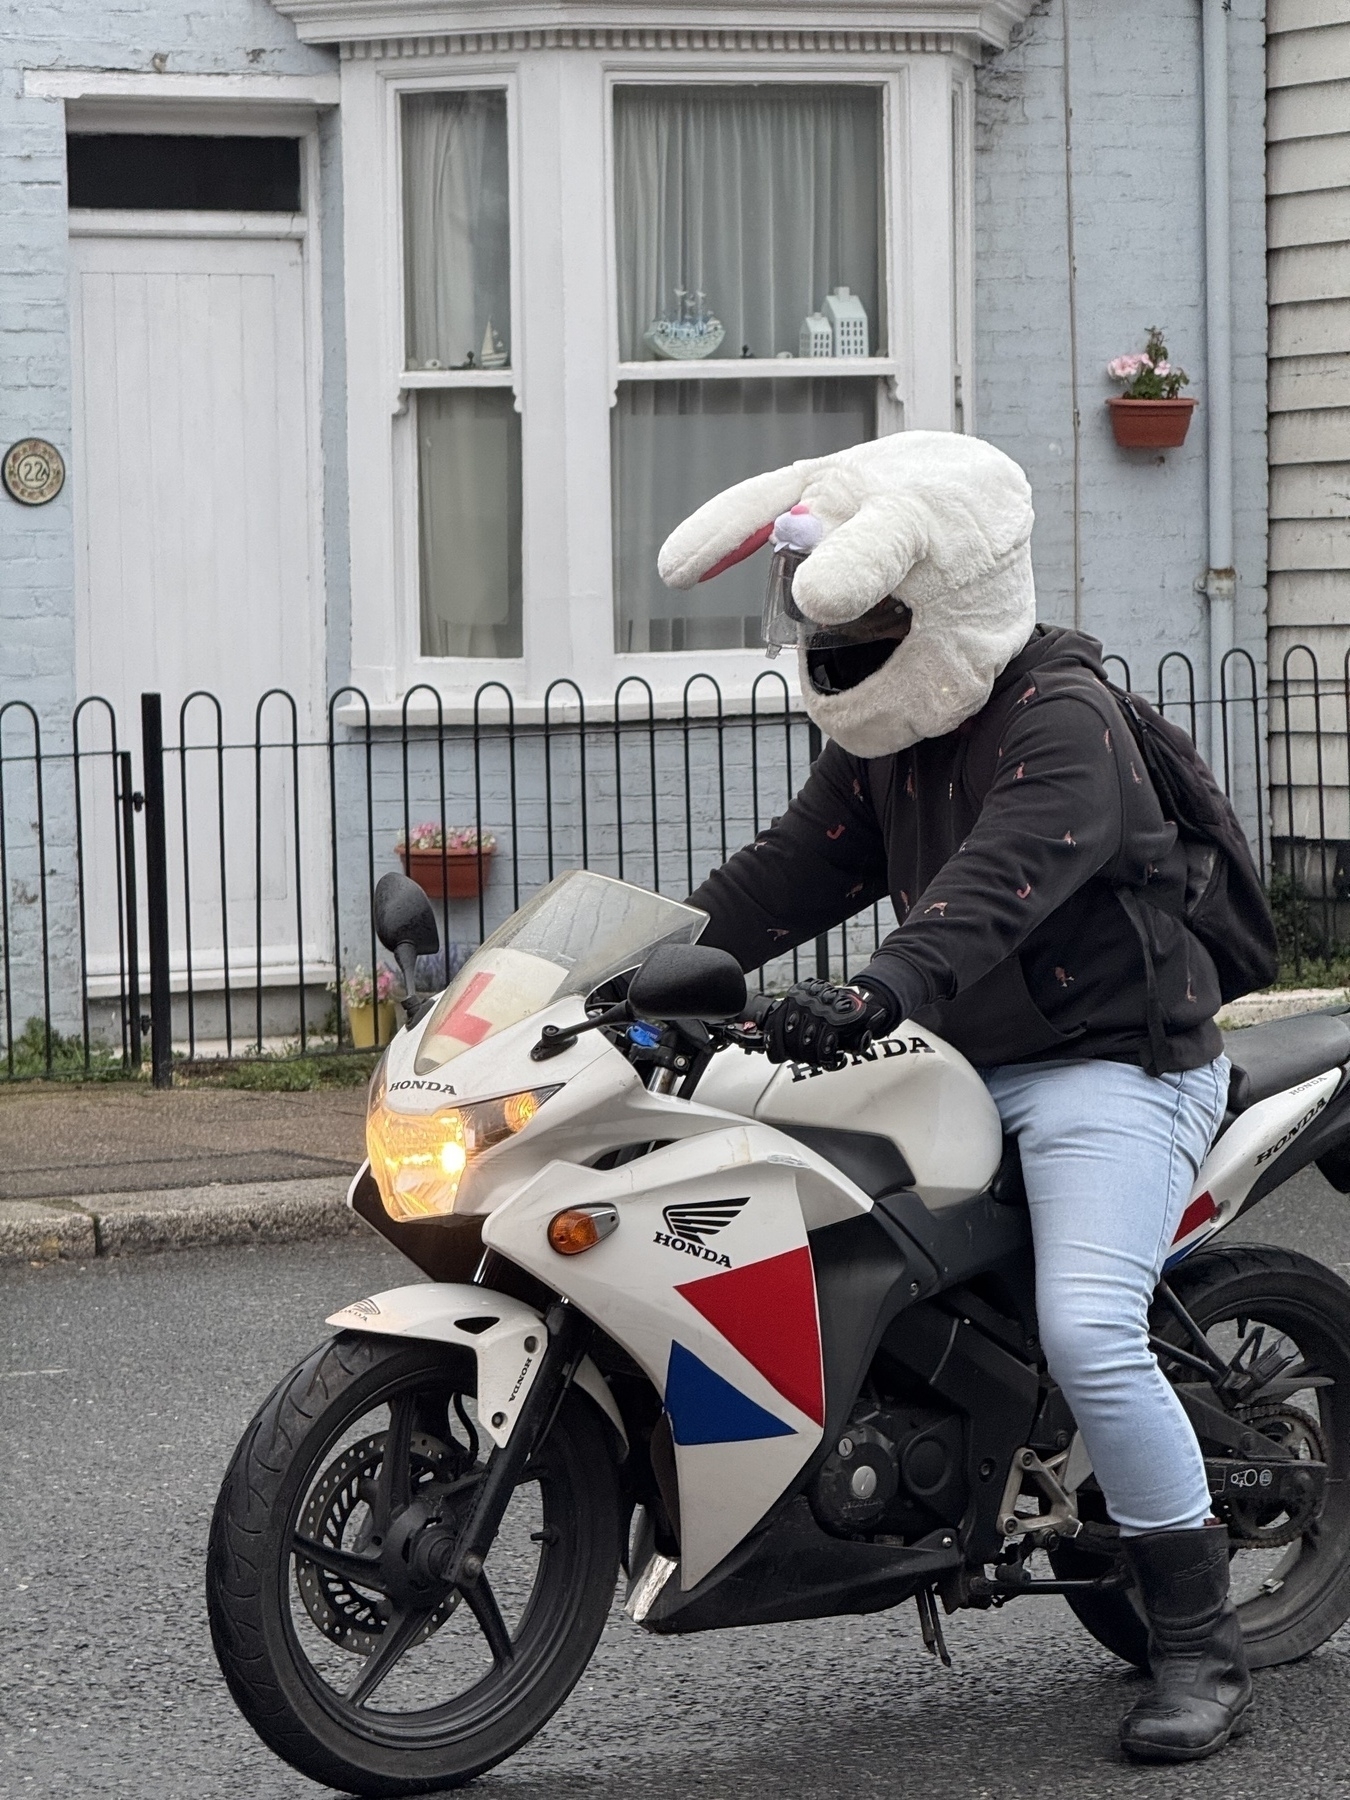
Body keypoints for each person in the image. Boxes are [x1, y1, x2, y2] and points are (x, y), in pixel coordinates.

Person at [659, 430, 1250, 1764]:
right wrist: (633, 966)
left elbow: (996, 885)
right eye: (840, 614)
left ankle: (1199, 1646)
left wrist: (873, 991)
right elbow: (787, 872)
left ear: (939, 599)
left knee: (1090, 1329)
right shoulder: (892, 738)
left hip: (1107, 1065)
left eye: (876, 612)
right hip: (955, 1059)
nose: (853, 636)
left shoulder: (1060, 721)